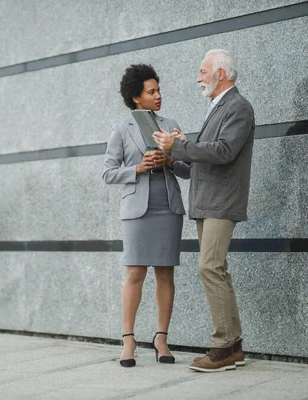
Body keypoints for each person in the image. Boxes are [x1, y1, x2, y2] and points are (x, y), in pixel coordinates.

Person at [153, 49, 255, 373]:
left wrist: (179, 146)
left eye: (202, 71)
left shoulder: (238, 107)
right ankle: (235, 346)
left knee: (209, 268)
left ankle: (222, 346)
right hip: (208, 201)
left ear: (220, 74)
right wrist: (175, 157)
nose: (198, 77)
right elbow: (201, 161)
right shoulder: (217, 108)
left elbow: (223, 152)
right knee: (218, 269)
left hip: (222, 203)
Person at [102, 64, 190, 368]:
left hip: (167, 205)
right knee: (135, 272)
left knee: (165, 273)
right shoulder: (121, 128)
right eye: (151, 91)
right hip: (137, 209)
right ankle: (128, 341)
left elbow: (189, 170)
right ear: (136, 97)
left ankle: (161, 338)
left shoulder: (171, 124)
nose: (158, 96)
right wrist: (138, 167)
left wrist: (169, 160)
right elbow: (108, 173)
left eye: (158, 90)